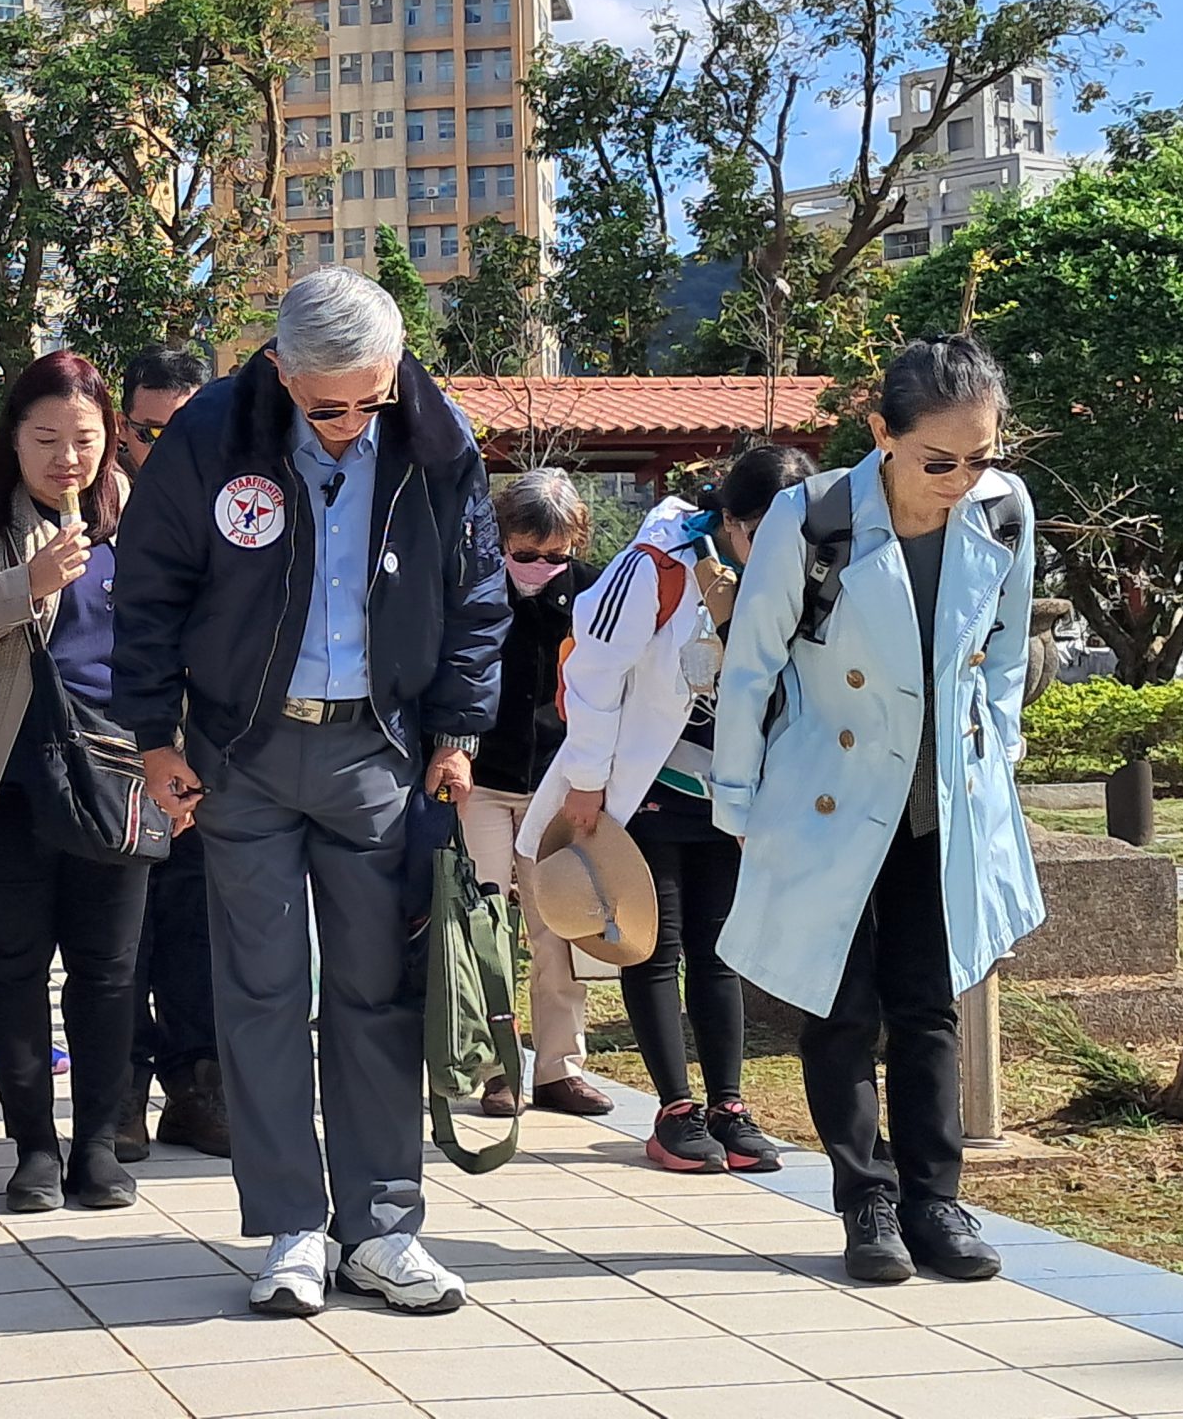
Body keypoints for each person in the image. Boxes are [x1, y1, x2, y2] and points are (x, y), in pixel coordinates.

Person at [114, 266, 507, 1318]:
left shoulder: (435, 437)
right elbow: (146, 591)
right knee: (261, 989)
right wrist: (155, 737)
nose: (343, 426)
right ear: (279, 368)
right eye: (321, 404)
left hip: (378, 747)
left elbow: (475, 595)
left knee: (377, 992)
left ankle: (381, 1229)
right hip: (242, 748)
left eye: (364, 402)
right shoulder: (209, 435)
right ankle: (290, 1228)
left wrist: (459, 730)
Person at [712, 335, 1042, 1287]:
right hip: (831, 792)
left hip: (946, 799)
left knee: (929, 1006)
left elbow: (1008, 653)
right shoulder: (812, 518)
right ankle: (868, 1203)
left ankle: (939, 1199)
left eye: (980, 455)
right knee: (839, 1006)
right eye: (939, 459)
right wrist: (736, 799)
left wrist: (1001, 755)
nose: (960, 478)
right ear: (881, 434)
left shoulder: (1005, 511)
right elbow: (751, 668)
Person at [519, 448, 811, 1173]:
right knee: (652, 942)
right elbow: (590, 667)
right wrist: (586, 777)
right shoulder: (659, 563)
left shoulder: (785, 569)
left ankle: (729, 1106)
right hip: (641, 785)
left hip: (728, 788)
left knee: (720, 952)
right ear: (733, 519)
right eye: (766, 535)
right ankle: (675, 1108)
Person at [0, 351, 143, 1213]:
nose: (66, 459)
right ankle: (33, 1146)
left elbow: (181, 638)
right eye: (46, 439)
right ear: (13, 436)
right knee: (11, 961)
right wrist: (26, 585)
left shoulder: (138, 512)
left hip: (116, 770)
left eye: (84, 440)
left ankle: (100, 1142)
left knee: (108, 969)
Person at [457, 468, 611, 1119]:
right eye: (526, 554)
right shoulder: (473, 586)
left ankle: (558, 1067)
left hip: (560, 786)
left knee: (559, 930)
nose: (541, 567)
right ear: (500, 538)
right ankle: (496, 1068)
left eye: (555, 556)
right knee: (486, 926)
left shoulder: (597, 595)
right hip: (482, 782)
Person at [111, 343, 227, 1162]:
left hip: (208, 755)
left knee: (195, 929)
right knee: (121, 931)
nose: (164, 450)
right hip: (112, 752)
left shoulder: (239, 506)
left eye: (183, 430)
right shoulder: (91, 507)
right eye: (150, 433)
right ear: (123, 428)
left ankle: (196, 1087)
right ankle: (118, 1090)